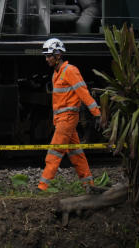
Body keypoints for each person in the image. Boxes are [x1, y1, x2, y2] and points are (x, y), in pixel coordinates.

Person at [38, 37, 101, 192]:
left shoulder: (70, 71)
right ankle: (89, 184)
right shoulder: (56, 74)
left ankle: (43, 186)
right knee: (76, 153)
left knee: (55, 151)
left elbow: (83, 93)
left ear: (58, 55)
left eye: (49, 55)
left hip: (67, 119)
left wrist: (96, 113)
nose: (46, 59)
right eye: (45, 56)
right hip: (62, 120)